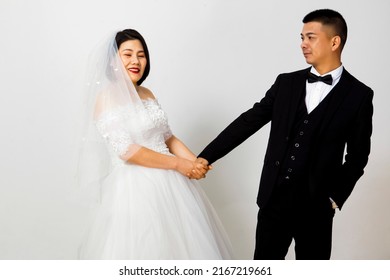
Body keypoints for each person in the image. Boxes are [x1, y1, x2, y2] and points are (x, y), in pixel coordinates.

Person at [194, 9, 373, 259]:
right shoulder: (286, 83)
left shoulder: (359, 95)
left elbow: (358, 157)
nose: (303, 44)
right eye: (301, 38)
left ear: (335, 42)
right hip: (273, 201)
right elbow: (248, 122)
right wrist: (206, 156)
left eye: (310, 37)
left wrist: (333, 198)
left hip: (317, 209)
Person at [77, 29, 232, 259]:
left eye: (141, 55)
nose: (135, 61)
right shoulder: (106, 97)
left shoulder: (147, 92)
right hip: (135, 188)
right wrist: (180, 165)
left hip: (173, 184)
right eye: (127, 54)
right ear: (112, 61)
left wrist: (195, 162)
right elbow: (126, 151)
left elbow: (167, 137)